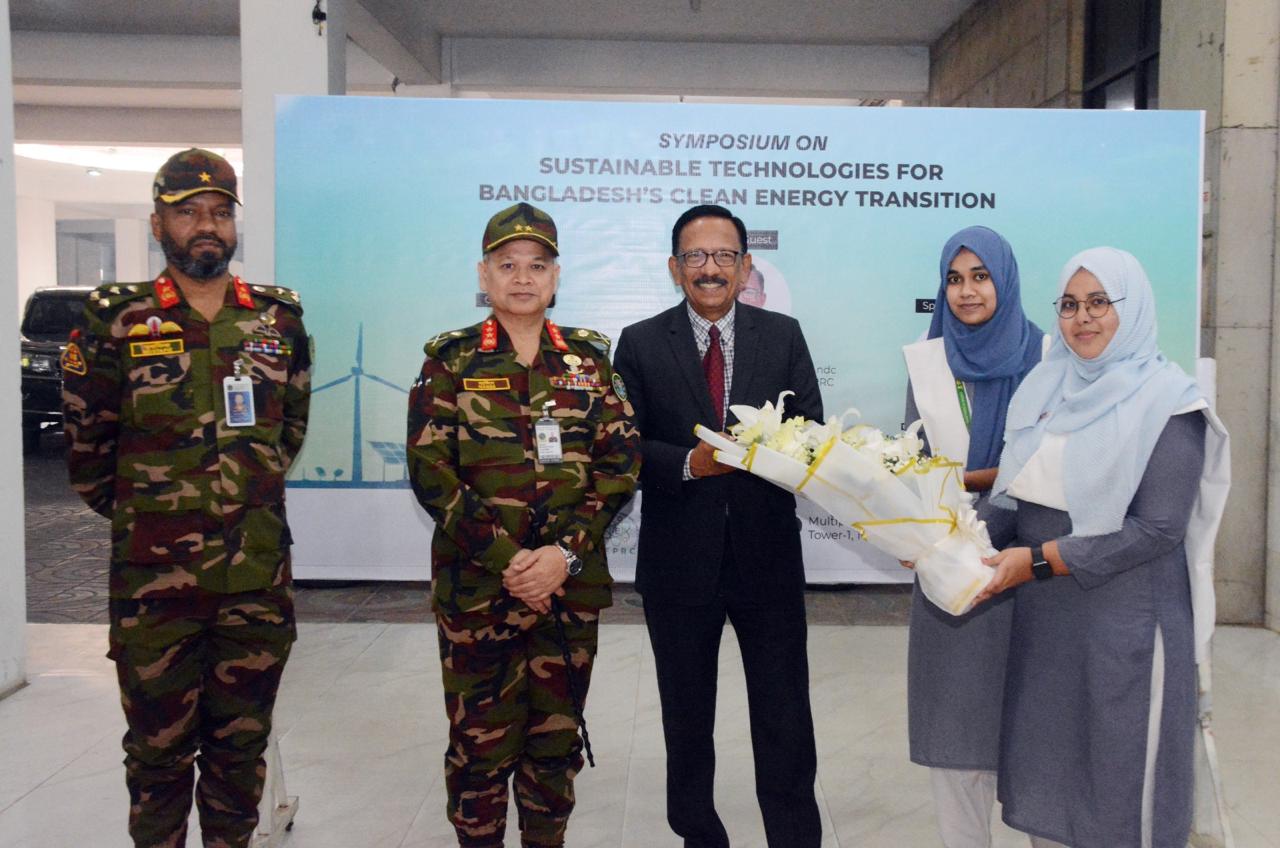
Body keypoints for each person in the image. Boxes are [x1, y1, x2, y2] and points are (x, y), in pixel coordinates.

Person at [62, 148, 312, 848]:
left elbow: (287, 432)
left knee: (240, 753)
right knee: (158, 758)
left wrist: (238, 500)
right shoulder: (117, 319)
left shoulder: (277, 320)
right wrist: (155, 517)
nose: (207, 225)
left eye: (220, 212)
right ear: (157, 224)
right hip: (155, 587)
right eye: (188, 212)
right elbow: (88, 450)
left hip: (254, 583)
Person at [406, 202, 641, 848]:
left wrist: (563, 556)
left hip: (568, 591)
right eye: (507, 265)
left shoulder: (589, 361)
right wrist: (510, 561)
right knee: (479, 751)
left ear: (556, 277)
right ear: (483, 275)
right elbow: (431, 472)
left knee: (554, 750)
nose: (522, 278)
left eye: (537, 265)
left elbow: (620, 464)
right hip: (480, 592)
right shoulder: (450, 361)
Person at [978, 247, 1229, 848]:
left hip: (1126, 627)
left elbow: (1157, 529)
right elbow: (1017, 496)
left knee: (1118, 788)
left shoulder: (1171, 402)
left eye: (1099, 302)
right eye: (1069, 305)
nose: (1082, 318)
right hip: (1047, 626)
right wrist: (948, 545)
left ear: (1132, 308)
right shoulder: (1046, 387)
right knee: (1050, 777)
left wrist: (1041, 560)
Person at [613, 204, 824, 848]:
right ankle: (700, 835)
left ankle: (794, 838)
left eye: (724, 256)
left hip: (768, 561)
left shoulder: (783, 335)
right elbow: (622, 447)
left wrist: (777, 452)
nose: (711, 268)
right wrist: (690, 464)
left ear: (746, 265)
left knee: (785, 720)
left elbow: (812, 433)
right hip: (679, 565)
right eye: (696, 256)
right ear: (675, 267)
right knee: (686, 721)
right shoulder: (640, 342)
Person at [901, 226, 1044, 847]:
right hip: (953, 573)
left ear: (1004, 280)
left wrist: (965, 479)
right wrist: (915, 525)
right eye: (954, 279)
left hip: (1033, 568)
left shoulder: (1048, 357)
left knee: (1040, 738)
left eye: (980, 276)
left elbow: (1052, 464)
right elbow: (911, 463)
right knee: (958, 739)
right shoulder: (928, 362)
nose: (966, 292)